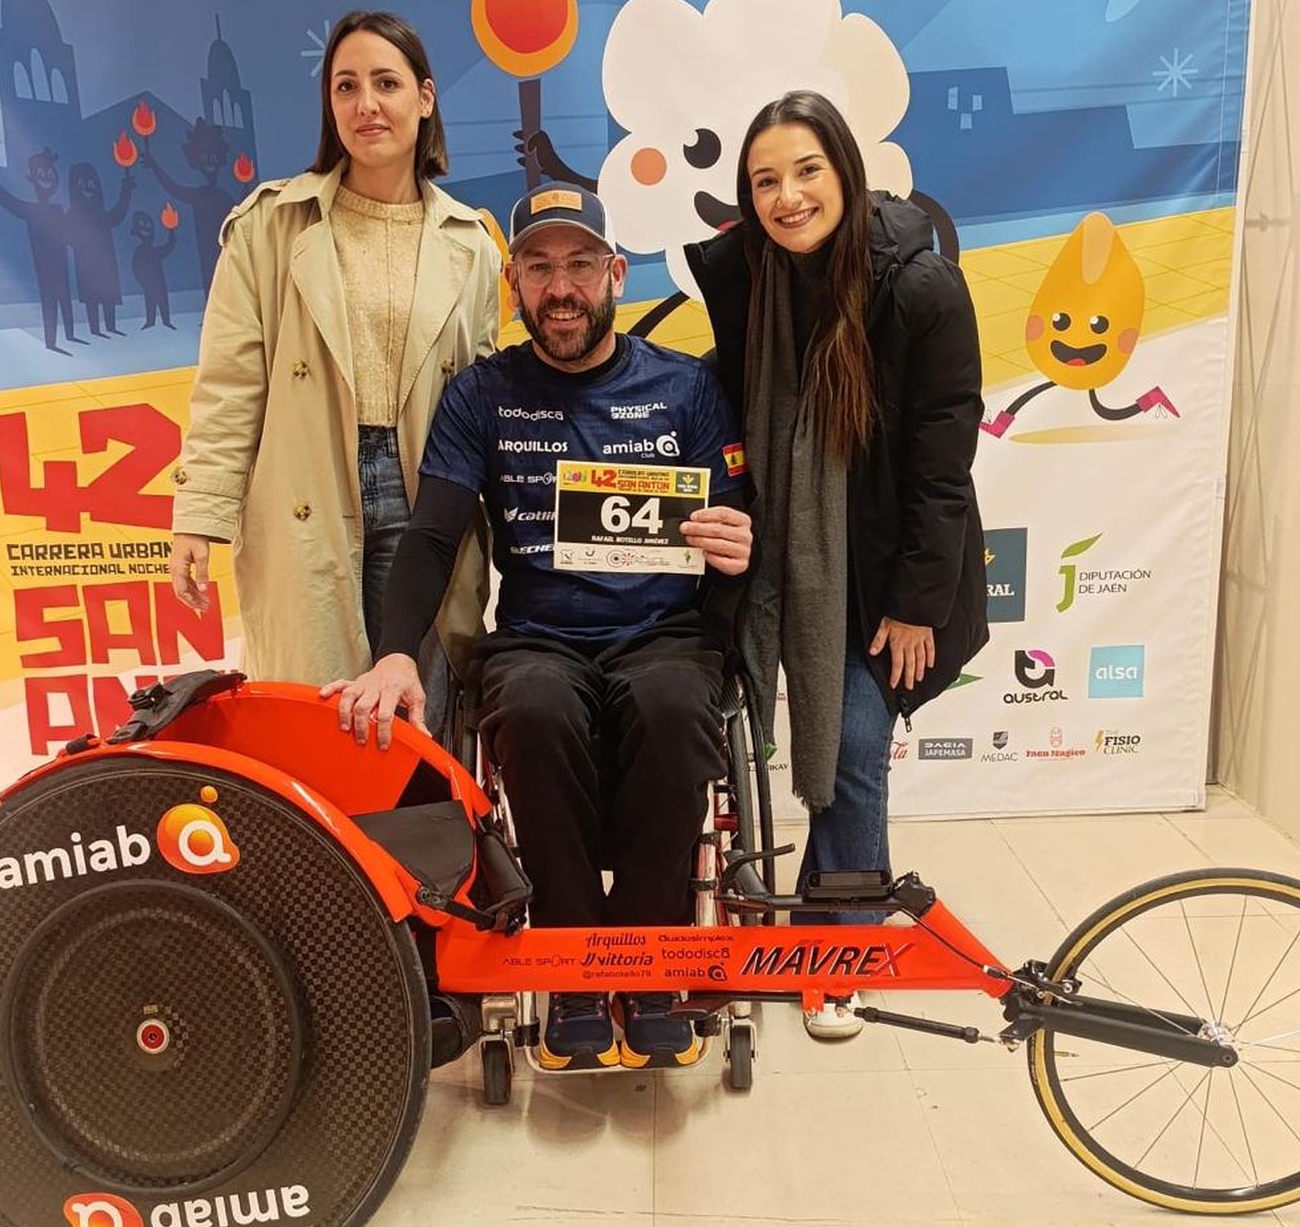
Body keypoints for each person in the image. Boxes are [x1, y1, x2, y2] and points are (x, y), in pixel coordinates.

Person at [331, 181, 753, 1070]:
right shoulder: (480, 397)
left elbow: (736, 520)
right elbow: (432, 534)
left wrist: (738, 543)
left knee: (678, 709)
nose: (560, 288)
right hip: (539, 637)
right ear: (514, 284)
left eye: (579, 265)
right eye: (538, 267)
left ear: (615, 275)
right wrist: (395, 654)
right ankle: (571, 967)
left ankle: (646, 964)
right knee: (528, 710)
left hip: (664, 632)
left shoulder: (686, 388)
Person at [685, 90, 987, 1035]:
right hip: (773, 550)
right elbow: (724, 398)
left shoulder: (921, 289)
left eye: (807, 171)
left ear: (847, 172)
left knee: (852, 744)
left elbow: (943, 464)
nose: (788, 197)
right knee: (790, 730)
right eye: (765, 180)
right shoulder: (748, 276)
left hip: (882, 569)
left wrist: (917, 602)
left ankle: (843, 954)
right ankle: (819, 915)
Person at [168, 12, 498, 728]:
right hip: (304, 491)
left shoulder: (471, 243)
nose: (366, 104)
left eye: (386, 83)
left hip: (428, 496)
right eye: (346, 86)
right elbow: (230, 386)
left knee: (418, 719)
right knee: (318, 722)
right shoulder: (270, 226)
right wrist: (199, 515)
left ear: (426, 97)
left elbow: (483, 400)